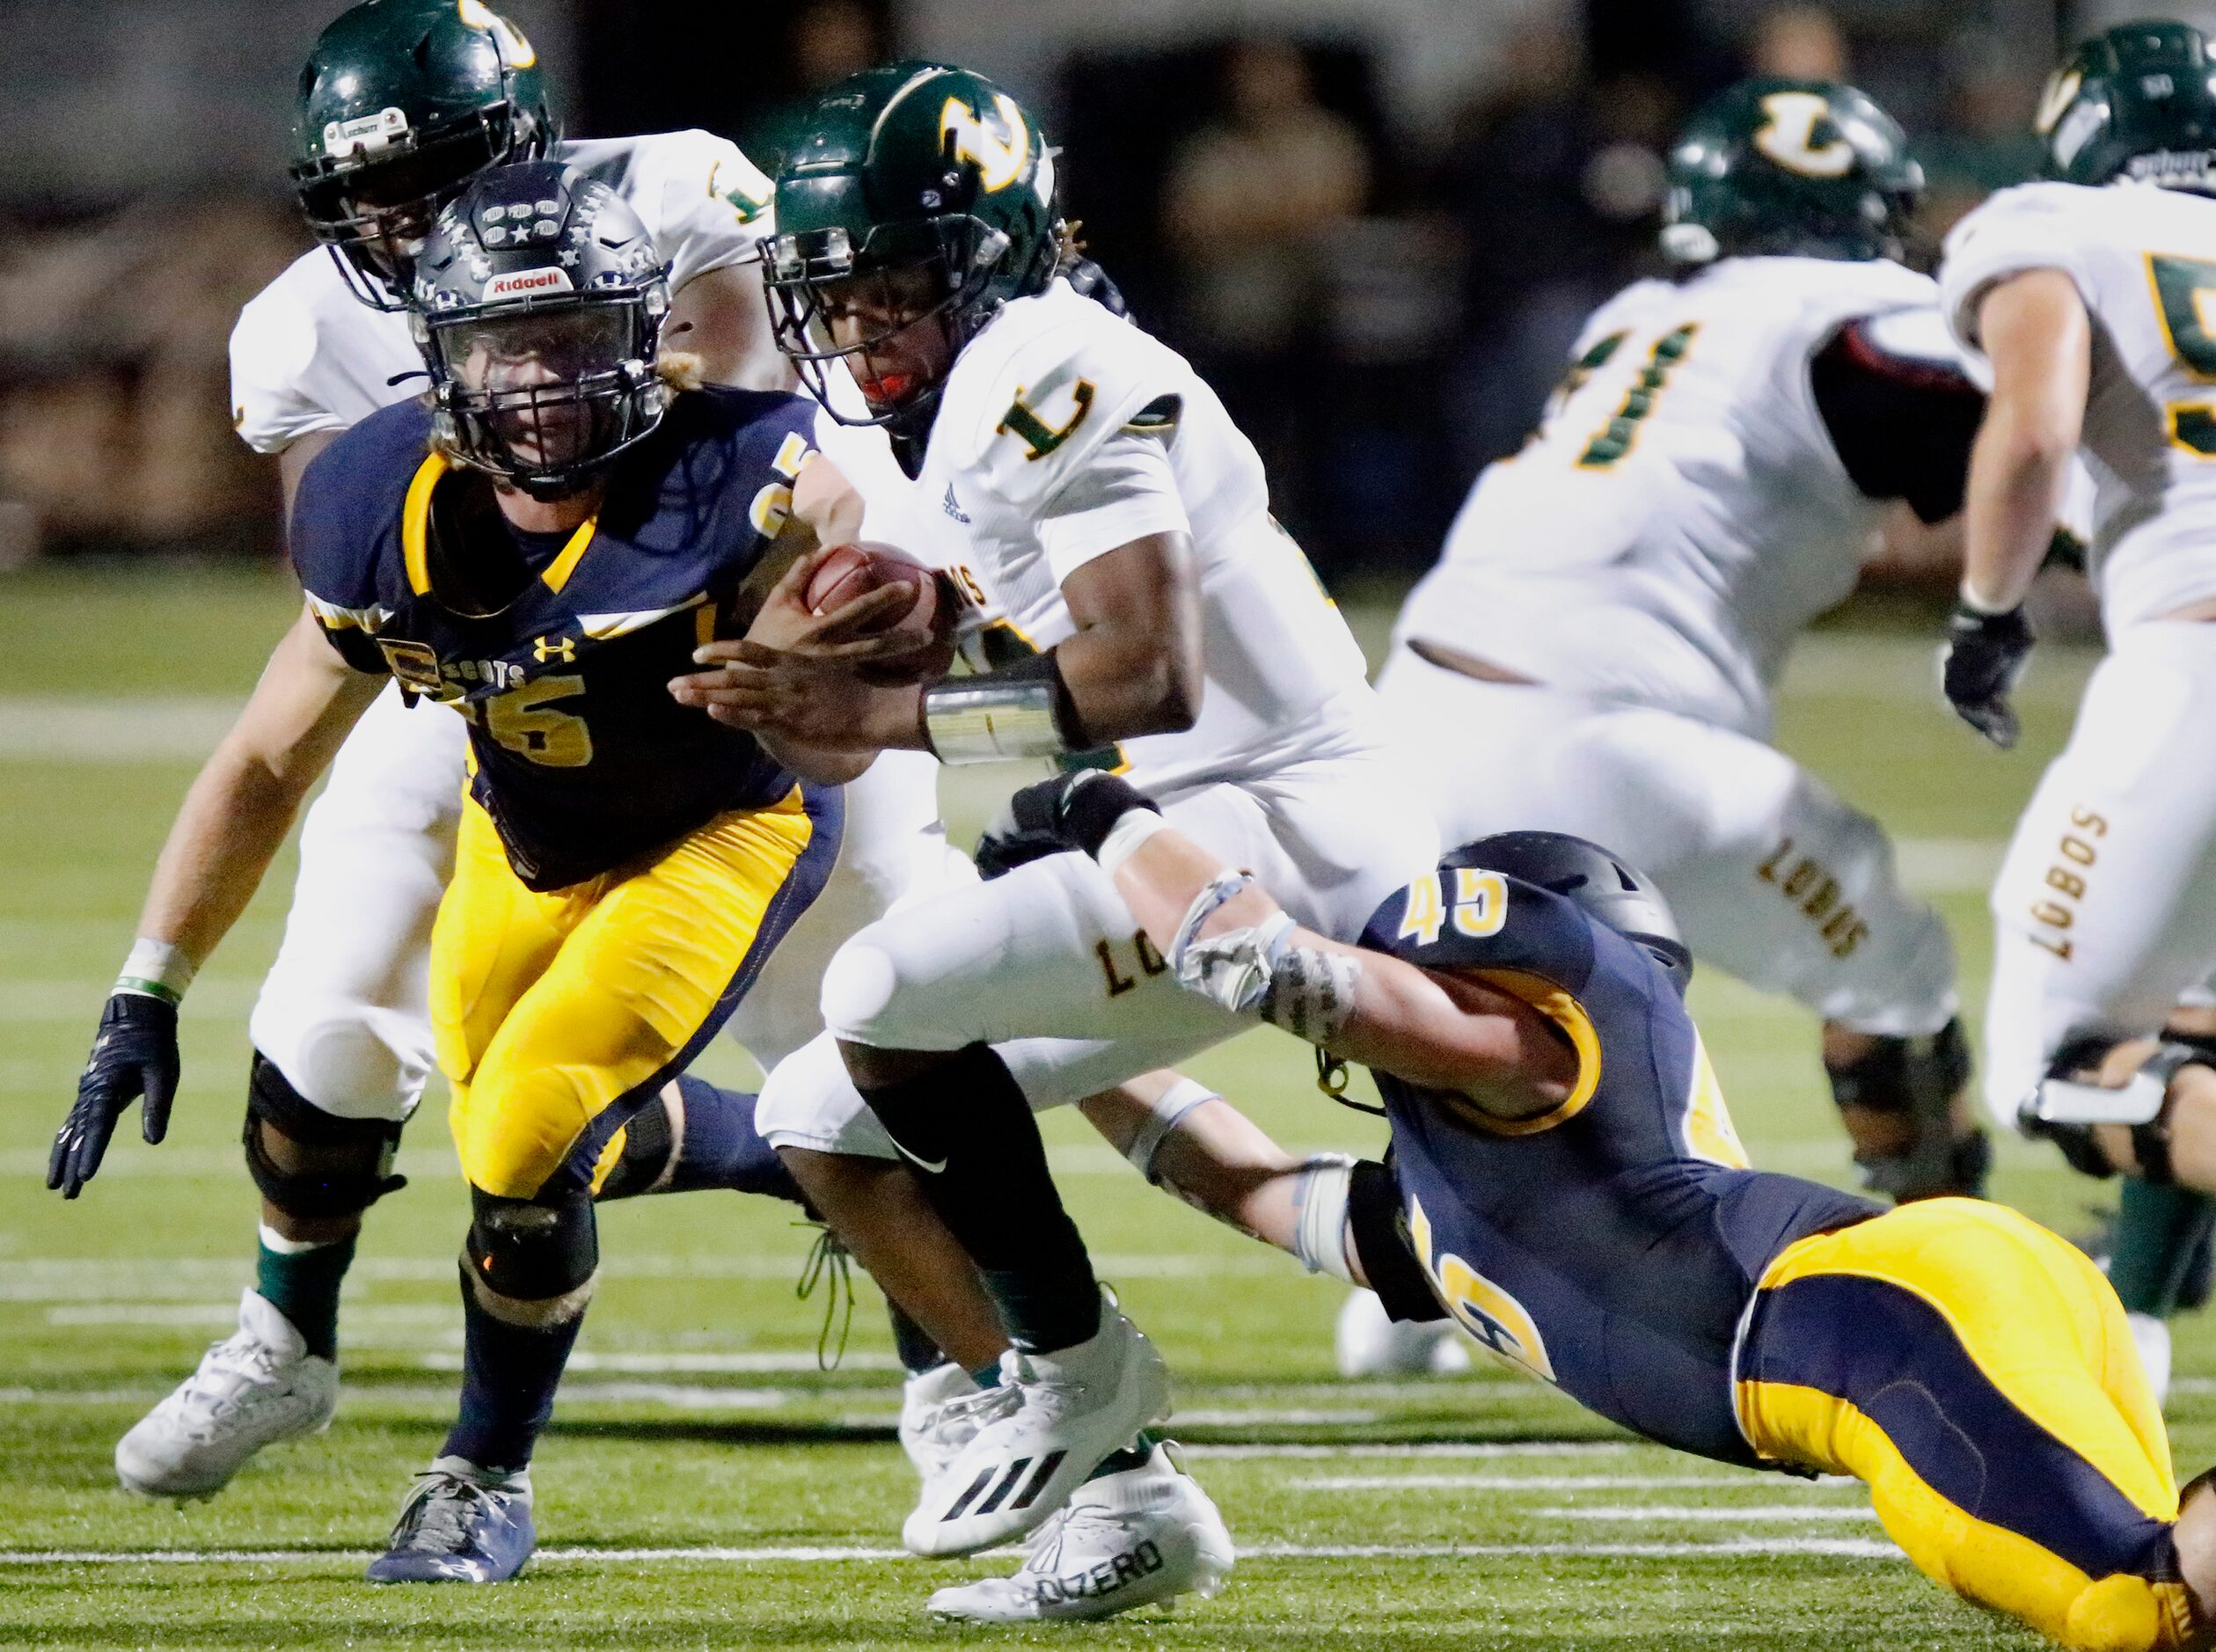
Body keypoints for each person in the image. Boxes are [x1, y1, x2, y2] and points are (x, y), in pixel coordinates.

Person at [672, 61, 1437, 1559]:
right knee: (820, 1110)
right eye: (833, 293)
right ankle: (1128, 1489)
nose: (858, 325)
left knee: (883, 987)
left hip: (1281, 821)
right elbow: (864, 733)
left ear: (983, 254)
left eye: (892, 282)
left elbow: (1148, 669)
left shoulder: (1047, 359)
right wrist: (791, 691)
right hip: (1153, 828)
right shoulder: (924, 422)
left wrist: (887, 710)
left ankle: (1083, 1370)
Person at [53, 164, 847, 1583]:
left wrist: (854, 618)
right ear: (442, 362)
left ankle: (481, 1477)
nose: (542, 385)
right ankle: (817, 1144)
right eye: (507, 349)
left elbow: (874, 543)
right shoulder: (374, 500)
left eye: (575, 342)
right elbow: (262, 759)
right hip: (521, 833)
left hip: (718, 829)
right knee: (530, 1127)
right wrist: (145, 986)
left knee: (526, 1127)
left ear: (640, 339)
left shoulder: (748, 466)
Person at [1001, 764, 2216, 1652]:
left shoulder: (1528, 1046)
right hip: (1921, 1301)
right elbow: (1237, 1176)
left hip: (1886, 1325)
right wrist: (1036, 1038)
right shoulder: (1456, 1197)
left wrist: (1102, 815)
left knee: (2133, 1606)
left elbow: (1277, 969)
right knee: (2155, 1592)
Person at [1357, 77, 2000, 1372]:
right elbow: (1981, 422)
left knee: (1545, 1014)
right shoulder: (1848, 311)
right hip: (1605, 739)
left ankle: (1410, 1284)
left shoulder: (1644, 313)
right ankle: (1966, 1289)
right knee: (1895, 956)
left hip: (1409, 711)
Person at [1938, 18, 2216, 1402]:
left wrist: (1989, 613)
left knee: (2050, 1062)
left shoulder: (2057, 222)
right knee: (2196, 1012)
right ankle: (2137, 1313)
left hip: (2200, 667)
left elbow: (2036, 428)